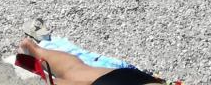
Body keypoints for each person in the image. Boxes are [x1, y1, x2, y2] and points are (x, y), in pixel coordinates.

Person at [17, 36, 164, 85]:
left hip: (138, 80)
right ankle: (41, 76)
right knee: (64, 79)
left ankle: (36, 50)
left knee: (77, 71)